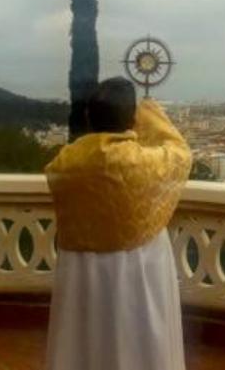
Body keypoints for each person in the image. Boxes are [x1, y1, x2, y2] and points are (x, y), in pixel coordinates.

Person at [44, 77, 192, 370]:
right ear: (132, 117)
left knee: (83, 337)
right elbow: (181, 154)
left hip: (80, 265)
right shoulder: (143, 163)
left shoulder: (64, 163)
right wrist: (149, 112)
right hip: (139, 263)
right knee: (139, 334)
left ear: (89, 117)